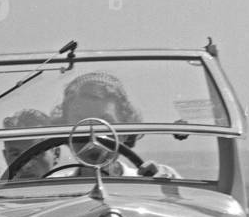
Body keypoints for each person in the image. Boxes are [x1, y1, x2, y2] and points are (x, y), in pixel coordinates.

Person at [49, 72, 178, 178]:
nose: (93, 136)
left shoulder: (148, 181)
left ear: (125, 132)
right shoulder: (52, 189)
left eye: (106, 123)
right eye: (81, 123)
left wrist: (163, 188)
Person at [1, 108, 59, 179]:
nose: (26, 165)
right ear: (6, 157)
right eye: (16, 154)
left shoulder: (71, 183)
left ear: (56, 154)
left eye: (36, 153)